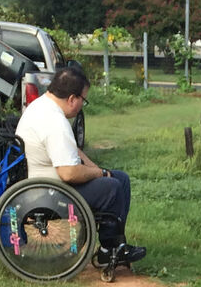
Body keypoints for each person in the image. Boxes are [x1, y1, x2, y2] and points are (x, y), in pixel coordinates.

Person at [15, 64, 145, 266]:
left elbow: (72, 151)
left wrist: (98, 169)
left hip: (40, 183)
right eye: (83, 100)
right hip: (50, 193)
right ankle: (109, 249)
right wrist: (100, 174)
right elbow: (69, 173)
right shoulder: (55, 123)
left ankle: (114, 246)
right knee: (112, 187)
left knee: (121, 178)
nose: (82, 105)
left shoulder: (40, 106)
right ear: (72, 99)